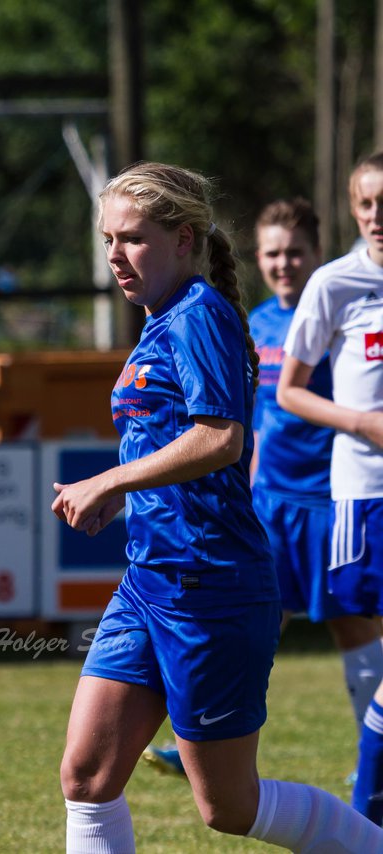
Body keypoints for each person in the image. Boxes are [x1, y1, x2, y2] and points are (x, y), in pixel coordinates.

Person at [52, 161, 382, 851]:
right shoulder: (159, 317)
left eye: (133, 238)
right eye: (108, 239)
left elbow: (221, 438)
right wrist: (129, 491)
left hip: (212, 589)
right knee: (85, 776)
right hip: (150, 582)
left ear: (182, 238)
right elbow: (174, 439)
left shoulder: (198, 314)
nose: (116, 254)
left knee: (228, 807)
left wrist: (112, 482)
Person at [141, 198, 383, 780]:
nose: (284, 264)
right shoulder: (252, 320)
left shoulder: (338, 309)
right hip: (267, 498)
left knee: (352, 623)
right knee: (251, 620)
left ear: (317, 253)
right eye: (273, 253)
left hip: (326, 498)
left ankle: (368, 751)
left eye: (295, 252)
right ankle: (202, 734)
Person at [279, 150, 383, 824]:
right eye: (368, 205)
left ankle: (368, 808)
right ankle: (367, 810)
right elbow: (289, 390)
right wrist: (361, 422)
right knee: (368, 653)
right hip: (365, 497)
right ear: (352, 209)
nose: (379, 217)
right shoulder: (335, 283)